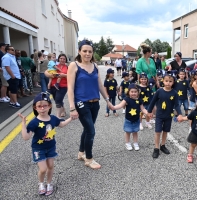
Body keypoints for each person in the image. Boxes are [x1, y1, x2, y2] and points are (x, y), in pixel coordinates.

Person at [18, 92, 73, 195]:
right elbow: (26, 137)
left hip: (51, 147)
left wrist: (71, 118)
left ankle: (49, 183)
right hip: (38, 149)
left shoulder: (53, 119)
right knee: (43, 169)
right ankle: (41, 183)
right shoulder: (34, 122)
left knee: (51, 166)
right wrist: (23, 124)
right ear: (35, 108)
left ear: (49, 106)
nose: (42, 108)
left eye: (45, 106)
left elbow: (61, 124)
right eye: (39, 106)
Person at [67, 39, 111, 169]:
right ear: (79, 51)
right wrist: (72, 107)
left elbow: (99, 85)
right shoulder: (74, 65)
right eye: (85, 51)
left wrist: (107, 100)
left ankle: (81, 153)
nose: (87, 54)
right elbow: (70, 88)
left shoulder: (95, 66)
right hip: (81, 103)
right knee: (91, 131)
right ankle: (89, 159)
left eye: (90, 51)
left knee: (87, 129)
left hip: (95, 103)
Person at [147, 71, 183, 158]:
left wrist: (180, 114)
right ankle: (156, 148)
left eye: (170, 81)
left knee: (165, 131)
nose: (168, 83)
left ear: (173, 82)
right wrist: (149, 111)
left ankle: (162, 145)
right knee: (157, 131)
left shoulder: (174, 93)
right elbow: (153, 102)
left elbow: (177, 105)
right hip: (159, 115)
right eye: (166, 81)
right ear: (163, 81)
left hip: (168, 116)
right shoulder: (159, 91)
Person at [109, 83, 148, 151]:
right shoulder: (127, 99)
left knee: (135, 132)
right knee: (128, 132)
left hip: (136, 119)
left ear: (138, 92)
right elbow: (120, 105)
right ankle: (127, 143)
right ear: (128, 92)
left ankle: (135, 143)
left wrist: (148, 113)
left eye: (135, 92)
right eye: (132, 92)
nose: (133, 93)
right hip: (128, 120)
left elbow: (143, 109)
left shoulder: (139, 100)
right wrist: (113, 107)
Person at [44, 54, 68, 118]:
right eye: (61, 58)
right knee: (57, 100)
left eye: (64, 59)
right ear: (58, 59)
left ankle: (58, 117)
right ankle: (63, 110)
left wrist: (64, 75)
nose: (62, 60)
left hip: (63, 86)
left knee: (58, 99)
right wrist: (48, 75)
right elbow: (46, 71)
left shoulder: (68, 67)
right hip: (53, 86)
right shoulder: (55, 66)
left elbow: (71, 76)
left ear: (66, 60)